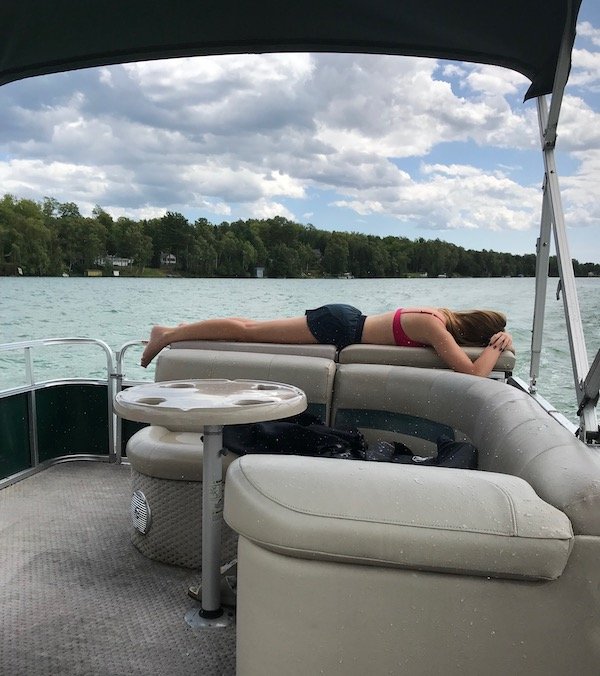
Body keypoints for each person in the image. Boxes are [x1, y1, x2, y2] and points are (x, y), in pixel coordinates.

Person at [140, 303, 514, 376]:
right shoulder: (435, 328)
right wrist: (497, 348)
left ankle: (181, 327)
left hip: (345, 320)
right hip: (340, 327)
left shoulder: (440, 315)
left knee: (249, 325)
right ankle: (167, 335)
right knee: (248, 331)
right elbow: (471, 372)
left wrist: (500, 341)